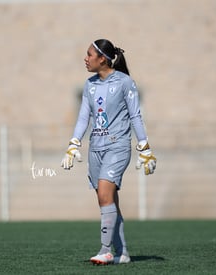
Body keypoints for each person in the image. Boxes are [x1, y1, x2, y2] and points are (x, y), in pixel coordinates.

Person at [61, 39, 157, 265]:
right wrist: (74, 143)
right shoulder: (89, 84)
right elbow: (84, 116)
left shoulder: (125, 83)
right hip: (96, 148)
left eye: (89, 55)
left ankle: (105, 250)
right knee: (108, 200)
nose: (85, 59)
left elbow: (135, 115)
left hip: (118, 146)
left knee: (105, 194)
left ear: (102, 59)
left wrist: (144, 147)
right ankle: (122, 253)